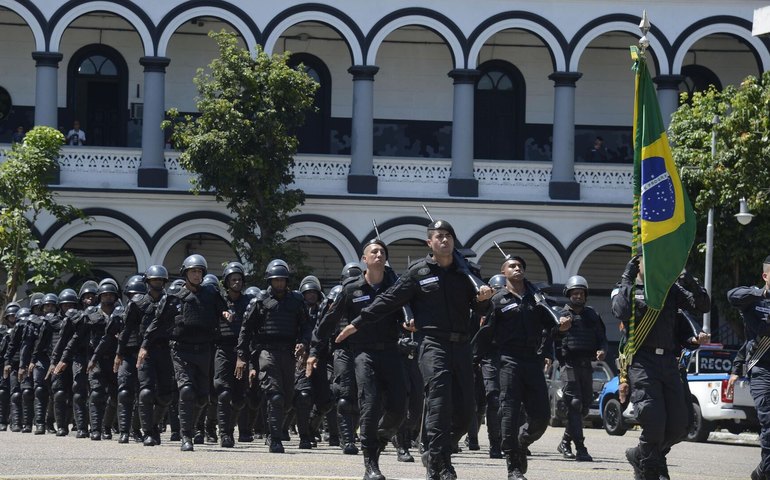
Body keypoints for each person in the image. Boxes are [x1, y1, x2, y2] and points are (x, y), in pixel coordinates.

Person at [336, 220, 493, 480]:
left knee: (467, 413)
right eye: (439, 236)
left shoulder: (467, 273)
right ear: (429, 243)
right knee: (439, 403)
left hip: (462, 345)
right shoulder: (418, 272)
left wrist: (483, 301)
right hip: (432, 344)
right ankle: (440, 464)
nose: (444, 240)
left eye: (449, 236)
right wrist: (357, 323)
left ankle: (435, 448)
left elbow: (480, 309)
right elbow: (388, 300)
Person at [308, 239, 407, 480]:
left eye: (383, 252)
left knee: (399, 408)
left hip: (392, 352)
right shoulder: (351, 289)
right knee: (370, 406)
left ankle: (379, 439)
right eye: (374, 251)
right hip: (364, 353)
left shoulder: (395, 286)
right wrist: (313, 351)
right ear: (364, 259)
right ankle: (370, 463)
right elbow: (328, 322)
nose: (379, 255)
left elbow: (408, 313)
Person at [612, 255, 710, 480]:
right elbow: (621, 311)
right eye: (651, 259)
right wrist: (627, 277)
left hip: (668, 361)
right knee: (653, 420)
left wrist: (687, 277)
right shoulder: (628, 288)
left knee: (679, 426)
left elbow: (702, 305)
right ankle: (649, 469)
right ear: (638, 265)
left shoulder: (671, 289)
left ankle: (641, 454)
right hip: (642, 361)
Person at [476, 256, 571, 480]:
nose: (517, 268)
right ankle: (513, 465)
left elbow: (552, 326)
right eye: (512, 266)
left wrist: (564, 326)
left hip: (532, 360)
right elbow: (485, 332)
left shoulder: (537, 299)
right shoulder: (498, 300)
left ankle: (521, 441)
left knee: (541, 416)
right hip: (507, 360)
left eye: (520, 266)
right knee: (508, 412)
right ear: (504, 272)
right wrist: (474, 357)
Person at [140, 254, 227, 452]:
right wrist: (145, 346)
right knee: (186, 390)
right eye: (193, 271)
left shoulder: (211, 293)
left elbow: (223, 309)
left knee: (203, 397)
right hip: (181, 350)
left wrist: (226, 314)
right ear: (185, 273)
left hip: (204, 350)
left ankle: (192, 426)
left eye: (199, 271)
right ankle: (185, 435)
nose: (196, 275)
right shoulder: (174, 297)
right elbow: (158, 322)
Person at [235, 259, 311, 454]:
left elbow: (306, 327)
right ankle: (275, 439)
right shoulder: (259, 301)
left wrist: (303, 343)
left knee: (286, 400)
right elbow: (246, 330)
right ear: (270, 280)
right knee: (275, 396)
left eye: (282, 280)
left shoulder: (296, 301)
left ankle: (271, 428)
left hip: (288, 353)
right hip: (266, 352)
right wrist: (242, 357)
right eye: (276, 280)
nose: (279, 284)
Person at [555, 275, 608, 462]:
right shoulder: (560, 315)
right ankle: (580, 447)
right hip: (568, 363)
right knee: (575, 404)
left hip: (587, 365)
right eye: (574, 293)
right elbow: (552, 339)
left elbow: (602, 338)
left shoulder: (593, 315)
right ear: (568, 295)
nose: (578, 296)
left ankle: (565, 442)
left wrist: (602, 350)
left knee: (584, 407)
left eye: (581, 293)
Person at [727, 255, 770, 480]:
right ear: (765, 276)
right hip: (762, 370)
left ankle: (763, 472)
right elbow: (731, 296)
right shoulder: (754, 300)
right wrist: (760, 293)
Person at [214, 262, 250, 448]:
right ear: (226, 282)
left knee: (239, 399)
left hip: (242, 352)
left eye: (239, 279)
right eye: (232, 279)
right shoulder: (219, 302)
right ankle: (225, 434)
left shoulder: (249, 302)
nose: (236, 282)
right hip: (223, 350)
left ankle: (231, 425)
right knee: (224, 393)